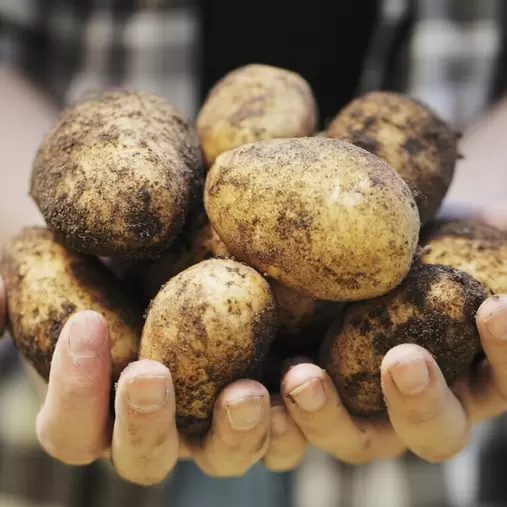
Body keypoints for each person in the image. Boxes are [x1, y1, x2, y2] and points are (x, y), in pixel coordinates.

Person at [1, 0, 507, 506]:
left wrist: (488, 199)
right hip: (73, 461)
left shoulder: (260, 190)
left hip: (397, 477)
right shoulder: (196, 192)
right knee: (151, 236)